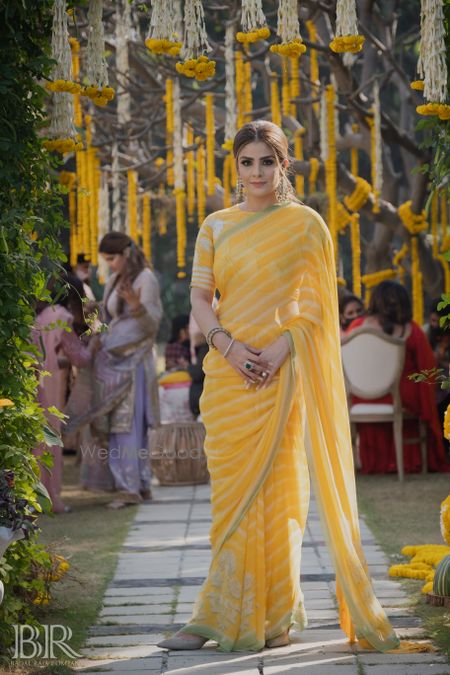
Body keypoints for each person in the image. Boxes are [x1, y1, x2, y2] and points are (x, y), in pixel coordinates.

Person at [157, 121, 403, 653]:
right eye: (247, 162)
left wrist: (280, 348)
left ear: (283, 165)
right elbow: (201, 299)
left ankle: (274, 616)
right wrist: (228, 346)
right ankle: (218, 615)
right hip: (227, 378)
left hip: (282, 376)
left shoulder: (306, 226)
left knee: (282, 496)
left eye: (266, 161)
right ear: (236, 168)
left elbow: (317, 305)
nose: (256, 172)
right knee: (230, 501)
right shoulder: (216, 226)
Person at [65, 232, 163, 508]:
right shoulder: (115, 280)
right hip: (114, 360)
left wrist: (136, 307)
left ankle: (131, 487)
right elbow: (111, 320)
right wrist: (95, 312)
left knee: (128, 425)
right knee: (118, 426)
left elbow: (152, 324)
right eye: (106, 260)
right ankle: (135, 485)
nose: (109, 265)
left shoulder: (147, 279)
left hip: (134, 362)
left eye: (111, 259)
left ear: (126, 254)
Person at [348, 281, 449, 473]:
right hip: (399, 396)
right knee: (417, 387)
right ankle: (413, 458)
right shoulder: (411, 330)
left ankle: (372, 461)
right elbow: (428, 368)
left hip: (361, 395)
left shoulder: (356, 327)